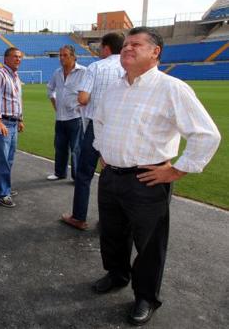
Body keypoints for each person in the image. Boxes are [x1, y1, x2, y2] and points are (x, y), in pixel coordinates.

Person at [92, 27, 220, 326]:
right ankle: (117, 274)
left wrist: (176, 169)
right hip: (111, 176)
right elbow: (99, 122)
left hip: (147, 179)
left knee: (149, 245)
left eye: (135, 44)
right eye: (124, 45)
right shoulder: (114, 88)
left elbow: (206, 135)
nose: (127, 49)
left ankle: (146, 297)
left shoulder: (171, 89)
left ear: (155, 52)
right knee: (112, 233)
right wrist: (103, 151)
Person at [61, 33, 124, 230]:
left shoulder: (96, 67)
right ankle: (110, 221)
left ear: (106, 48)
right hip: (121, 129)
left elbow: (83, 98)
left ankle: (79, 217)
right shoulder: (128, 67)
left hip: (96, 126)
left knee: (84, 173)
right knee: (115, 174)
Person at [0, 47, 24, 208]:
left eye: (20, 57)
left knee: (8, 159)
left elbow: (17, 100)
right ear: (6, 59)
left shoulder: (15, 77)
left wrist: (20, 119)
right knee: (1, 159)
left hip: (13, 122)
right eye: (15, 57)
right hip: (2, 123)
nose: (18, 59)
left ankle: (4, 188)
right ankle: (2, 193)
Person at [46, 45, 86, 181]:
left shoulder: (84, 72)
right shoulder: (57, 73)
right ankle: (59, 173)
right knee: (60, 147)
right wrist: (55, 104)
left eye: (65, 55)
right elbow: (50, 89)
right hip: (60, 118)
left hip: (76, 118)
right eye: (60, 55)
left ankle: (77, 177)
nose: (62, 58)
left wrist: (81, 106)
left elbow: (90, 92)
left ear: (73, 56)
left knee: (76, 149)